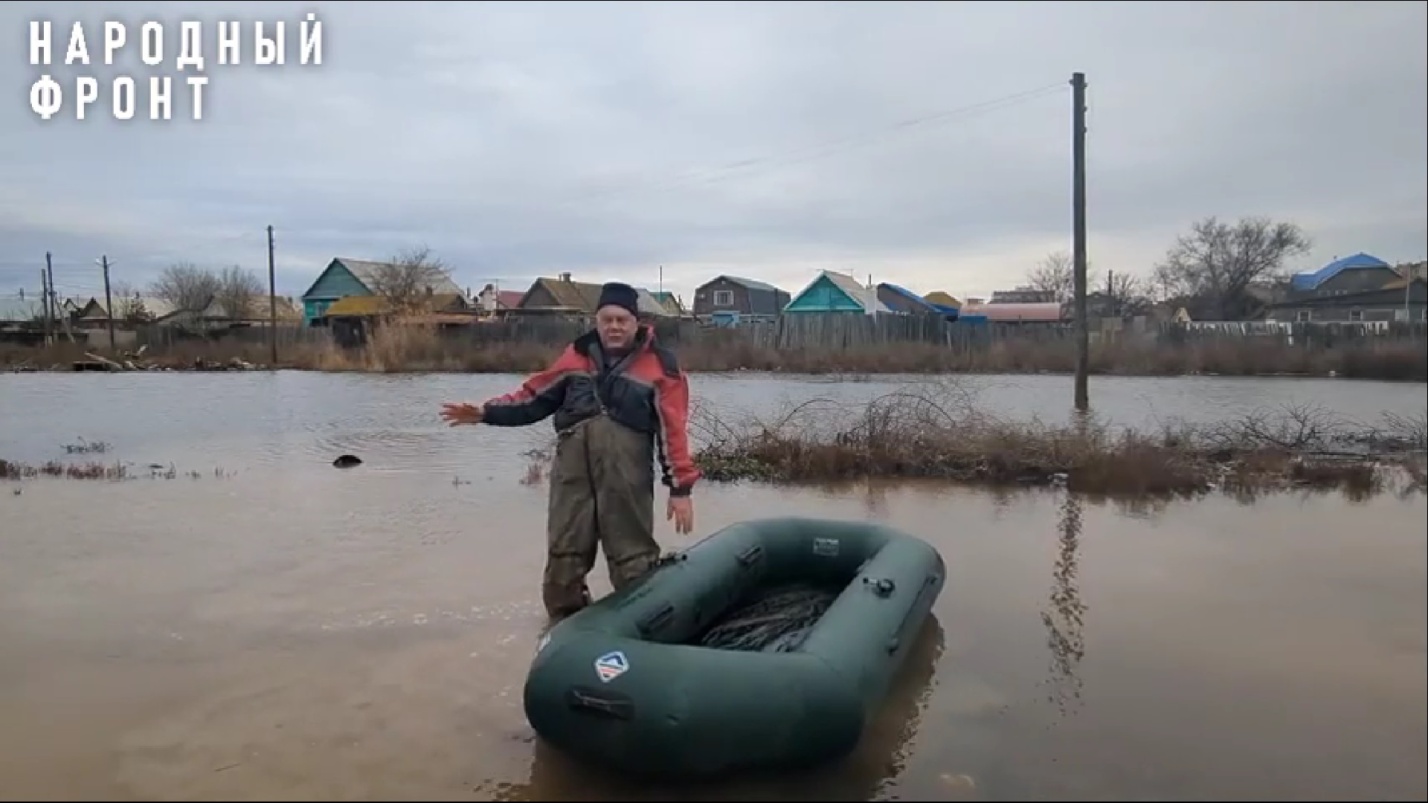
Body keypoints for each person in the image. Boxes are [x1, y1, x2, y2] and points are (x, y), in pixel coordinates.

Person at [440, 282, 699, 621]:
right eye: (607, 319)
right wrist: (487, 412)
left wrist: (680, 489)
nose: (615, 326)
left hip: (626, 481)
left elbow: (673, 431)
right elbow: (533, 398)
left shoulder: (661, 367)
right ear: (597, 321)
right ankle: (565, 633)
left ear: (637, 322)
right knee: (564, 563)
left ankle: (640, 633)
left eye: (622, 319)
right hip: (572, 477)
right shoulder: (575, 356)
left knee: (632, 562)